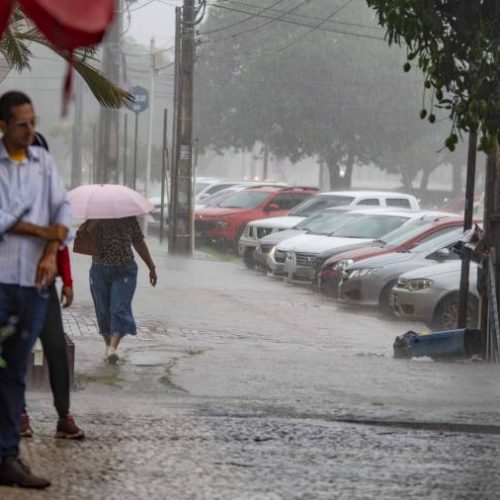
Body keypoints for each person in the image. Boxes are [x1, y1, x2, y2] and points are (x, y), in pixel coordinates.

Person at [0, 91, 71, 489]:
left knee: (15, 373)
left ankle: (8, 457)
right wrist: (43, 230)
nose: (30, 130)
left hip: (33, 283)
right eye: (22, 124)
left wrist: (49, 250)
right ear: (4, 126)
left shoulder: (43, 162)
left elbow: (62, 209)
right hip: (0, 280)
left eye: (33, 122)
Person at [19, 132, 84, 440]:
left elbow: (62, 245)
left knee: (56, 350)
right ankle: (18, 414)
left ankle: (64, 417)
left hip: (44, 289)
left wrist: (68, 281)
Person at [89, 217, 157, 363]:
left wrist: (151, 266)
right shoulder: (95, 215)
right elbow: (86, 238)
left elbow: (138, 241)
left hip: (125, 270)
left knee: (119, 309)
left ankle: (113, 348)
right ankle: (108, 347)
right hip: (99, 269)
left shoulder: (129, 217)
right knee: (103, 311)